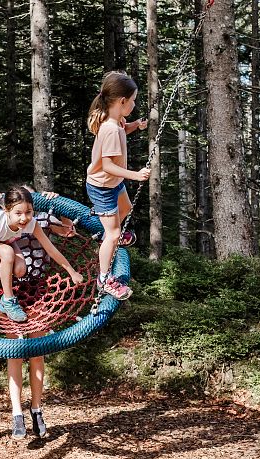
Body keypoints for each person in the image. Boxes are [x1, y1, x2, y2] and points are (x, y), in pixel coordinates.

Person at [0, 186, 84, 439]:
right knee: (15, 352)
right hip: (5, 271)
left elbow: (59, 240)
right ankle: (17, 413)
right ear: (8, 209)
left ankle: (36, 409)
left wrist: (71, 271)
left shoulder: (35, 221)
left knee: (37, 351)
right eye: (19, 212)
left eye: (28, 211)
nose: (24, 217)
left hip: (36, 289)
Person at [85, 71, 151, 301]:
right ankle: (104, 279)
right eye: (133, 100)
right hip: (102, 186)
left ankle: (108, 236)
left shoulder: (117, 121)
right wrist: (135, 175)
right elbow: (108, 166)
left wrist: (136, 125)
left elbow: (124, 129)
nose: (134, 104)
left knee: (126, 209)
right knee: (113, 234)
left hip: (113, 184)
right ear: (122, 101)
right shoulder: (110, 129)